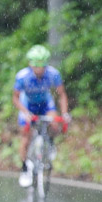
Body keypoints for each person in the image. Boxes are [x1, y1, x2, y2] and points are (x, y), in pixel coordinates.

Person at [13, 44, 70, 188]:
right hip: (28, 105)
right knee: (25, 137)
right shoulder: (22, 76)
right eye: (36, 65)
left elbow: (61, 94)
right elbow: (15, 98)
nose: (40, 69)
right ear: (30, 64)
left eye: (43, 65)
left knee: (55, 122)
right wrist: (25, 113)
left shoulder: (53, 74)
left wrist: (64, 113)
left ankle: (49, 141)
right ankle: (25, 167)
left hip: (45, 104)